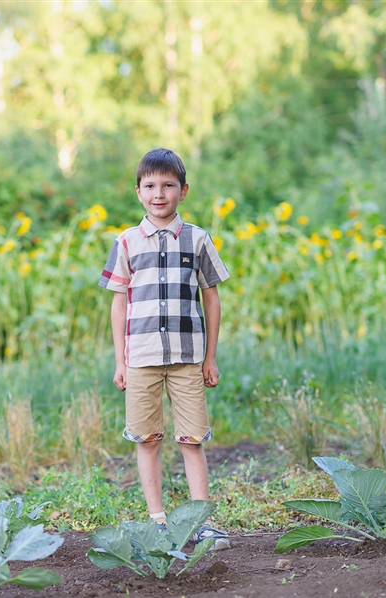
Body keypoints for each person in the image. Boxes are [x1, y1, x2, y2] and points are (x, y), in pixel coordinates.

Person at [98, 147, 231, 550]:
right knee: (147, 439)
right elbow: (118, 302)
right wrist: (120, 361)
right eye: (151, 186)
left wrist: (210, 356)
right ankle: (157, 521)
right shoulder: (126, 241)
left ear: (183, 190)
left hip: (188, 358)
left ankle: (201, 521)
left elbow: (211, 298)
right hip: (140, 359)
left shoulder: (198, 239)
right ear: (138, 191)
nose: (160, 194)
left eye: (168, 185)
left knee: (192, 439)